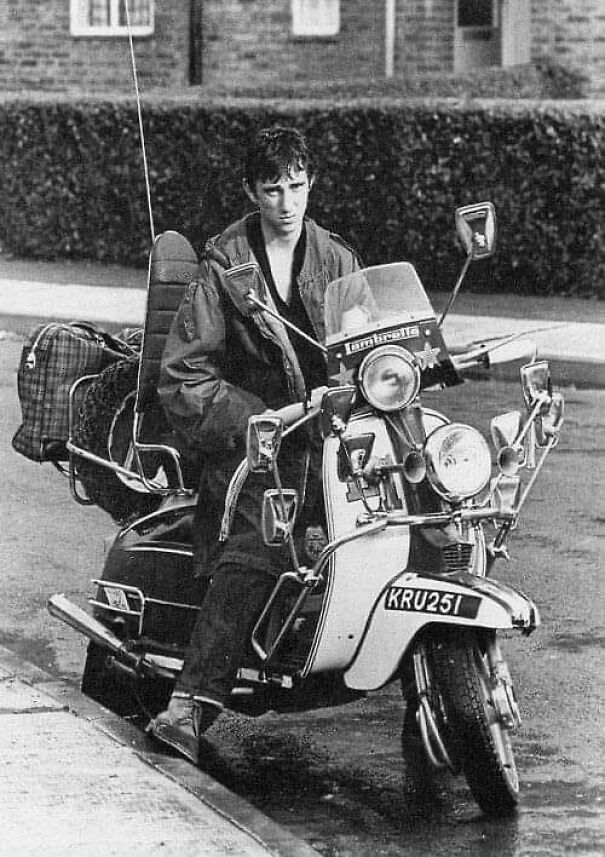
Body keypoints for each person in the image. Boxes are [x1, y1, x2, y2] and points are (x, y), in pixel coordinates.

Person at [147, 125, 362, 763]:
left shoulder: (338, 260)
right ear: (251, 192)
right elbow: (183, 374)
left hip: (332, 437)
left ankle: (432, 686)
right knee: (259, 545)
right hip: (255, 449)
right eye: (272, 190)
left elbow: (372, 341)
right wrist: (262, 420)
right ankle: (190, 706)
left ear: (311, 183)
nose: (288, 203)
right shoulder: (224, 269)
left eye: (297, 186)